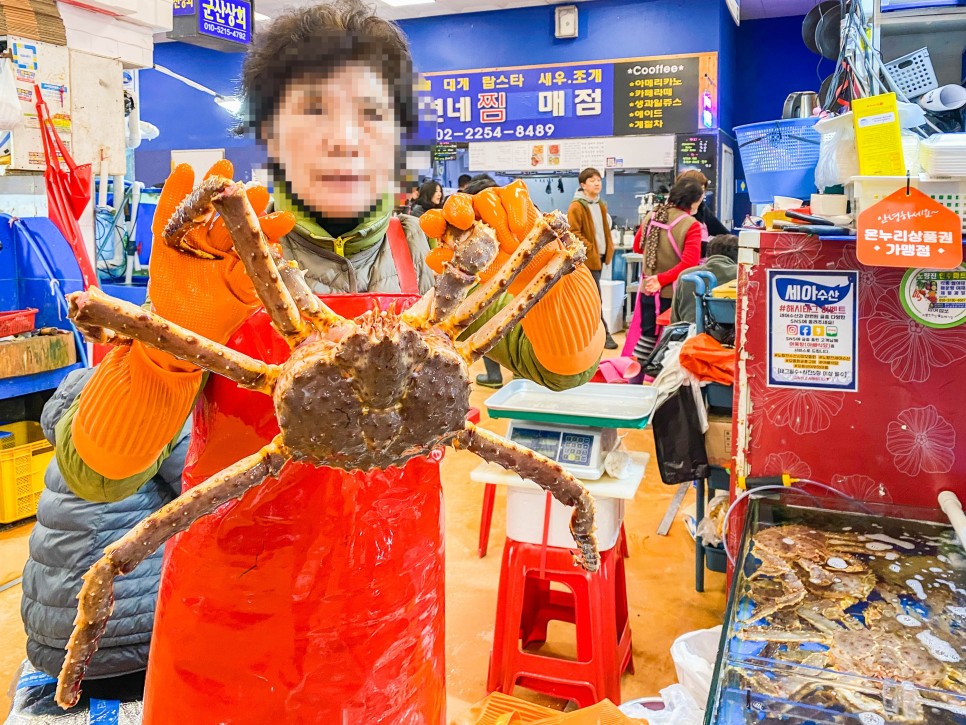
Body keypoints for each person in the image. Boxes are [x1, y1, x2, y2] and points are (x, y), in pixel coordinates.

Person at [53, 2, 604, 722]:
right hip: (228, 640)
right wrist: (162, 355)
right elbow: (97, 472)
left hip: (394, 631)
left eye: (370, 114)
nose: (344, 138)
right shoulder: (228, 253)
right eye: (312, 111)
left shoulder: (447, 250)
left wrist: (550, 272)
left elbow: (568, 367)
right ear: (270, 131)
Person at [17, 368, 189, 702]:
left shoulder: (88, 404)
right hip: (118, 651)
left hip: (49, 643)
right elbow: (212, 494)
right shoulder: (159, 411)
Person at [625, 177, 705, 363]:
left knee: (647, 336)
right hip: (672, 292)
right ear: (693, 201)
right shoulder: (691, 225)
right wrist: (662, 279)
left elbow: (637, 247)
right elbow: (689, 264)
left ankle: (634, 383)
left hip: (648, 289)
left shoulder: (652, 216)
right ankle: (662, 385)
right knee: (671, 340)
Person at [568, 167, 618, 350]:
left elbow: (603, 231)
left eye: (598, 179)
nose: (597, 183)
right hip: (588, 260)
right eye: (592, 180)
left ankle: (590, 336)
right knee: (594, 299)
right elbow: (573, 232)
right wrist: (590, 250)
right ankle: (604, 335)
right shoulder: (577, 206)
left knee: (591, 298)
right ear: (583, 185)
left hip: (600, 258)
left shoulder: (600, 204)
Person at [670, 233, 738, 324]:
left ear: (707, 254)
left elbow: (675, 320)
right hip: (730, 336)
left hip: (690, 335)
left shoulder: (687, 275)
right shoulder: (743, 275)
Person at [677, 169, 729, 245]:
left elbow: (723, 234)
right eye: (696, 192)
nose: (701, 196)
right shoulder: (673, 213)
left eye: (703, 191)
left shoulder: (702, 208)